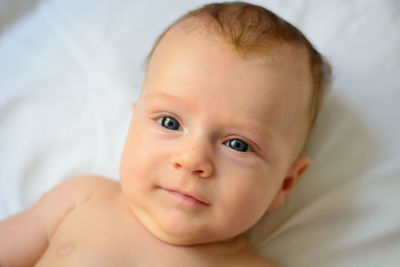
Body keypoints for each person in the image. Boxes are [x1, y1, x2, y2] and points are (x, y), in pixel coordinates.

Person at [0, 2, 331, 266]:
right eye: (170, 123)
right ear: (133, 125)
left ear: (285, 183)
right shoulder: (81, 199)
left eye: (238, 144)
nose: (192, 160)